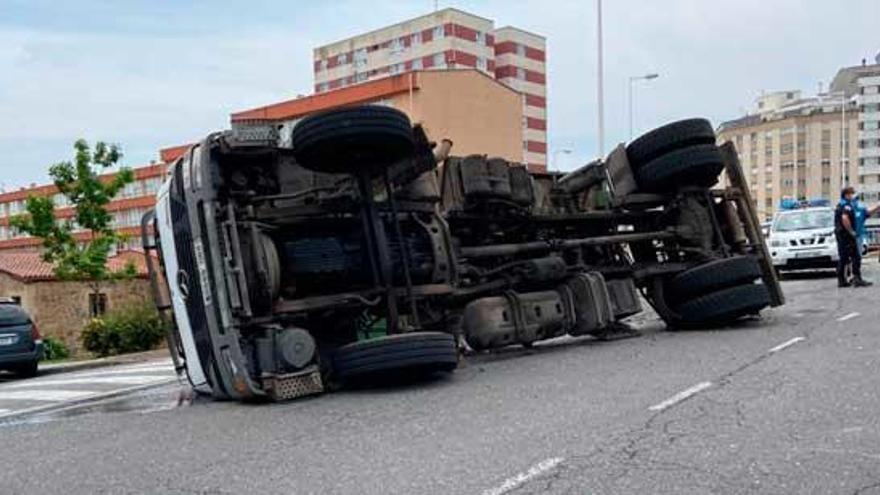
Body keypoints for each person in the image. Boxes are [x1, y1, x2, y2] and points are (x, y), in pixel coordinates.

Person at [836, 187, 877, 287]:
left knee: (844, 258)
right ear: (846, 195)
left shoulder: (841, 205)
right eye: (850, 194)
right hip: (847, 235)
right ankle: (857, 279)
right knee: (855, 257)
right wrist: (851, 232)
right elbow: (845, 218)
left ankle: (842, 280)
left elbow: (866, 213)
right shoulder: (846, 206)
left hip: (842, 235)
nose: (852, 196)